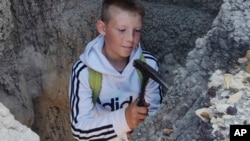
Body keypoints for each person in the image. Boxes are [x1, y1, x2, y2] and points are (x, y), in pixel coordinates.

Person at [68, 0, 162, 140]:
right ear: (102, 28)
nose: (130, 39)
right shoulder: (84, 71)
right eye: (122, 30)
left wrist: (142, 130)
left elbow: (156, 115)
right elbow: (79, 130)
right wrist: (124, 120)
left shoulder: (148, 65)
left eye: (137, 31)